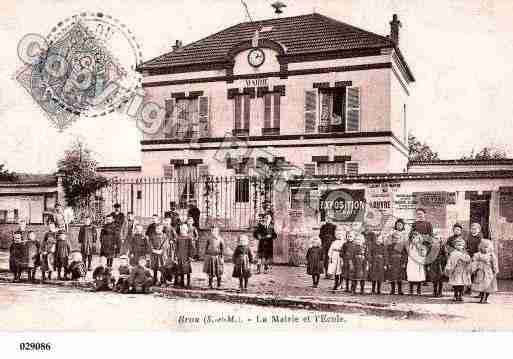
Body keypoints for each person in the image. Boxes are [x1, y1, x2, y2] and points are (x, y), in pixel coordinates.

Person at [445, 238, 471, 302]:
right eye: (457, 245)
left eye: (461, 245)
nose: (459, 246)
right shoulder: (453, 253)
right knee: (456, 284)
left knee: (462, 284)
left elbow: (468, 260)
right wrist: (448, 267)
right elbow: (449, 260)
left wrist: (467, 259)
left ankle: (460, 295)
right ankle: (455, 295)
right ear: (455, 246)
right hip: (455, 271)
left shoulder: (465, 253)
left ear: (463, 246)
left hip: (463, 271)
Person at [471, 239, 497, 304]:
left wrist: (495, 270)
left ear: (490, 248)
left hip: (489, 272)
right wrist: (474, 269)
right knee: (481, 286)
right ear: (481, 247)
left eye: (487, 247)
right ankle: (482, 298)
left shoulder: (491, 255)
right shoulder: (478, 254)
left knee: (489, 286)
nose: (486, 249)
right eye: (484, 247)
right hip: (481, 272)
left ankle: (486, 298)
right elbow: (474, 262)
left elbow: (494, 263)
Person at [425, 231, 447, 297]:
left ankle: (440, 291)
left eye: (437, 238)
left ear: (440, 239)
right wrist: (428, 265)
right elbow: (428, 256)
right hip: (433, 264)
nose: (436, 239)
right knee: (434, 278)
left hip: (440, 264)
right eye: (435, 238)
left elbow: (445, 255)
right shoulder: (430, 246)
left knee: (440, 278)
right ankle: (435, 291)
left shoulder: (442, 246)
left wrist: (444, 262)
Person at [466, 222, 485, 295]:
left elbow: (481, 248)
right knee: (469, 273)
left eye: (475, 229)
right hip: (470, 256)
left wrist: (477, 256)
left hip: (477, 257)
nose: (473, 230)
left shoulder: (480, 237)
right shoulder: (469, 237)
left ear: (479, 230)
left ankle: (478, 290)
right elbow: (467, 246)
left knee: (477, 274)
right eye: (472, 229)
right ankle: (469, 288)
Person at [407, 231, 427, 295]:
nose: (414, 239)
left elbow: (424, 254)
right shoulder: (410, 246)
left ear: (419, 239)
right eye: (413, 238)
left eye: (416, 238)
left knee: (418, 276)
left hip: (418, 262)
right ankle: (411, 290)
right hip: (411, 262)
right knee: (411, 275)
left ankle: (419, 290)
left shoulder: (422, 246)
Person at [175, 223, 194, 288]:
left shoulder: (189, 238)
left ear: (186, 230)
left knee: (187, 270)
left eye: (184, 229)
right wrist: (176, 255)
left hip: (186, 257)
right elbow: (176, 248)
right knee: (181, 270)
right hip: (180, 256)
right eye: (181, 229)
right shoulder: (178, 238)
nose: (182, 230)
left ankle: (188, 283)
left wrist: (191, 256)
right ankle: (182, 283)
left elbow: (191, 248)